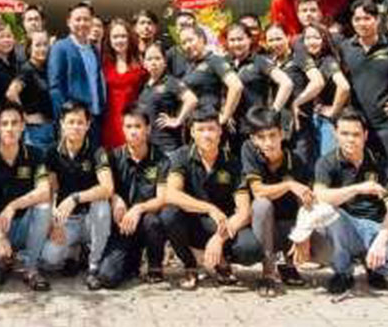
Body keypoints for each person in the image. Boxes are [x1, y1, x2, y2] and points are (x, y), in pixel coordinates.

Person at [161, 107, 263, 290]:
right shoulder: (181, 156)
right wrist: (209, 208)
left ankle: (220, 259)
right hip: (193, 224)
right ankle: (191, 264)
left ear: (220, 131)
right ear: (192, 133)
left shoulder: (233, 162)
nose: (206, 135)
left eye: (211, 129)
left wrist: (219, 239)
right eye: (200, 130)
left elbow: (245, 211)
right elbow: (171, 194)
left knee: (250, 249)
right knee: (169, 214)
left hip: (222, 225)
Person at [313, 109, 388, 295]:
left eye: (356, 134)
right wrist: (357, 188)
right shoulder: (326, 163)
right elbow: (320, 196)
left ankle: (374, 265)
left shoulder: (381, 164)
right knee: (327, 211)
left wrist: (381, 242)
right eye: (345, 133)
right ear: (335, 134)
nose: (350, 139)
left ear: (365, 136)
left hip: (376, 227)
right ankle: (343, 272)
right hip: (346, 227)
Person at [0, 103, 53, 290]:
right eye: (4, 123)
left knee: (43, 205)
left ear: (22, 126)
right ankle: (8, 259)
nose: (9, 128)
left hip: (25, 226)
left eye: (14, 123)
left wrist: (13, 206)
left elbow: (44, 191)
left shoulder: (36, 155)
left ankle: (30, 269)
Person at [242, 107, 317, 296]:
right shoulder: (249, 151)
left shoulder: (296, 160)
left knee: (324, 244)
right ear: (253, 139)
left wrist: (303, 237)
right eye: (261, 137)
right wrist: (289, 185)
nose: (268, 142)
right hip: (261, 228)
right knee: (262, 204)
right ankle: (268, 271)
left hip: (288, 228)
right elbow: (258, 191)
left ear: (282, 134)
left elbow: (306, 202)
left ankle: (289, 264)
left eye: (273, 135)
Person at [40, 102, 114, 288]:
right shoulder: (52, 153)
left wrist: (75, 198)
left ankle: (94, 264)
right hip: (68, 220)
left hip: (91, 219)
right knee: (49, 259)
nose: (75, 127)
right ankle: (74, 252)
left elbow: (107, 188)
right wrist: (53, 222)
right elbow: (50, 191)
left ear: (88, 125)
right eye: (71, 122)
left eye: (80, 122)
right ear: (62, 124)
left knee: (102, 204)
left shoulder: (97, 151)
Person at [337, 0, 388, 189]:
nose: (362, 23)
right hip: (357, 127)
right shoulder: (345, 48)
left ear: (377, 20)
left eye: (367, 18)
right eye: (357, 19)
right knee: (364, 176)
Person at [96, 103, 169, 288]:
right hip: (122, 225)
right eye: (128, 126)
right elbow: (105, 188)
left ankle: (154, 266)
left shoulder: (161, 159)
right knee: (107, 278)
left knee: (153, 221)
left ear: (148, 129)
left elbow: (162, 199)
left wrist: (138, 208)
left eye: (138, 126)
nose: (133, 131)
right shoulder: (114, 156)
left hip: (146, 221)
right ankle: (132, 260)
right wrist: (114, 198)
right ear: (123, 129)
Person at [263, 23, 322, 170]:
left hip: (299, 124)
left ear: (288, 37)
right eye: (271, 40)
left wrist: (297, 102)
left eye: (278, 38)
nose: (275, 43)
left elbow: (318, 82)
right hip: (276, 126)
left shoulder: (299, 57)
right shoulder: (269, 62)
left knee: (301, 169)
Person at [47, 3, 104, 137]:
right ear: (69, 22)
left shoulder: (94, 50)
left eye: (86, 19)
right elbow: (55, 88)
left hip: (94, 118)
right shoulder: (60, 47)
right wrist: (64, 120)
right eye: (78, 19)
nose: (82, 23)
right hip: (73, 123)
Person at [177, 24, 243, 140]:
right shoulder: (191, 65)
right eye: (184, 43)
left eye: (190, 40)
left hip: (210, 127)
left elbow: (236, 86)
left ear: (202, 39)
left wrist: (225, 116)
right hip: (194, 126)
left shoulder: (215, 61)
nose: (187, 45)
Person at [299, 24, 350, 161]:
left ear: (325, 40)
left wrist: (334, 110)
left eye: (316, 38)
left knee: (327, 160)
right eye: (308, 38)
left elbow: (344, 86)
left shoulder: (328, 60)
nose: (311, 42)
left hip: (328, 122)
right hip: (314, 118)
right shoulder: (310, 61)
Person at [135, 42, 196, 156]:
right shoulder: (144, 85)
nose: (153, 63)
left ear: (165, 62)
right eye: (149, 59)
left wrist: (178, 120)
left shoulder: (171, 82)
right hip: (150, 147)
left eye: (157, 58)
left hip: (169, 147)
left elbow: (191, 99)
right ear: (144, 63)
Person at [228, 23, 293, 123]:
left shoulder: (260, 61)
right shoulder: (225, 63)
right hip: (233, 126)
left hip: (256, 124)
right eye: (232, 40)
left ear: (249, 40)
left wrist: (273, 112)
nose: (236, 44)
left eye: (240, 39)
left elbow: (286, 83)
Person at [100, 18, 146, 149]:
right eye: (115, 37)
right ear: (109, 40)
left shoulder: (140, 65)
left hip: (132, 124)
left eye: (123, 36)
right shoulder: (103, 64)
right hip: (109, 123)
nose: (119, 40)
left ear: (129, 38)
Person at [8, 34, 56, 149]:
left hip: (50, 127)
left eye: (45, 45)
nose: (42, 49)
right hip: (35, 131)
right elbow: (11, 93)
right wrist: (25, 117)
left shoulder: (45, 68)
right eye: (38, 45)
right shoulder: (27, 70)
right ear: (29, 49)